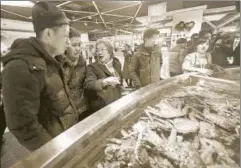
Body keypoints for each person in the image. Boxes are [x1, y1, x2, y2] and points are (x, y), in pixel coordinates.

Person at [1, 2, 78, 151]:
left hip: (65, 138)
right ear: (49, 34)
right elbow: (23, 126)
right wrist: (53, 152)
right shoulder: (20, 67)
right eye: (66, 36)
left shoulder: (51, 60)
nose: (68, 43)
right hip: (55, 148)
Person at [56, 27, 88, 121]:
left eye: (79, 44)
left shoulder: (82, 62)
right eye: (74, 45)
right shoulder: (58, 65)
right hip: (66, 115)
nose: (78, 48)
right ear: (65, 46)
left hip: (84, 109)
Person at [84, 40, 122, 113]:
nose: (99, 52)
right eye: (97, 50)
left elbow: (120, 81)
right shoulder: (92, 67)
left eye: (102, 49)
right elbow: (88, 84)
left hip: (117, 103)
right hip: (102, 107)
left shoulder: (117, 63)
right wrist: (104, 82)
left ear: (110, 51)